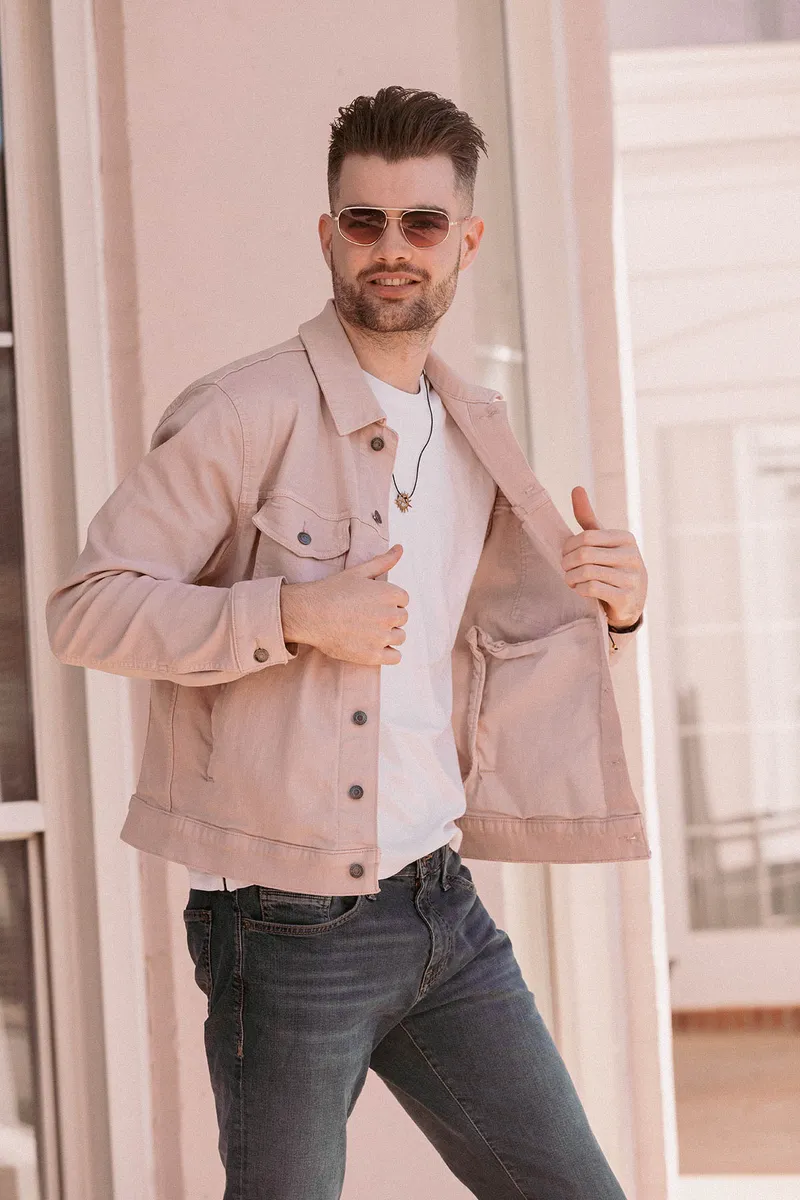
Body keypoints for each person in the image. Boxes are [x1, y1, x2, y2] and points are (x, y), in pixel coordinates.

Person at [46, 86, 649, 1199]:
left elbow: (468, 660)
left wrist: (615, 613)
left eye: (422, 222)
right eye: (364, 221)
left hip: (439, 901)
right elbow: (86, 608)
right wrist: (287, 615)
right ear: (327, 234)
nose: (391, 249)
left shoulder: (473, 430)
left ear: (465, 240)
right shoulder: (243, 412)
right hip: (285, 925)